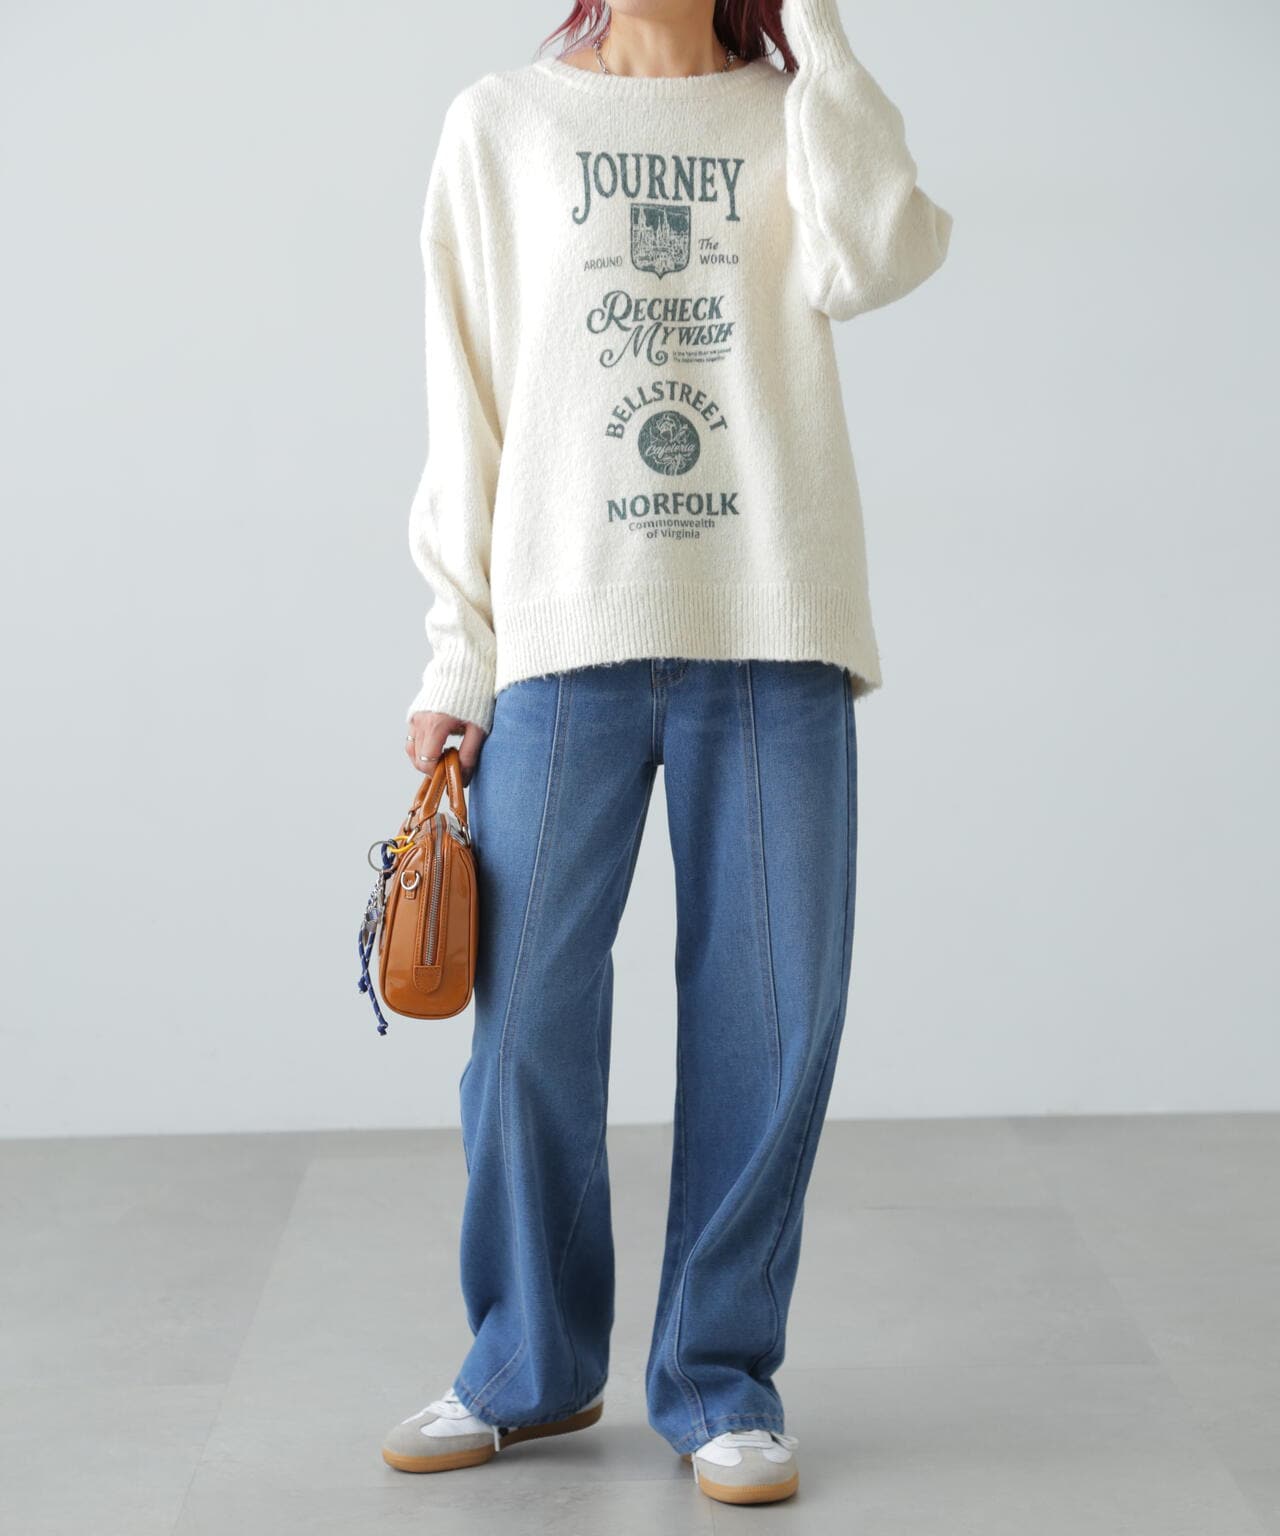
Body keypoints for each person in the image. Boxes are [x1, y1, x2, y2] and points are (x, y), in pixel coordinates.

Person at [384, 0, 951, 1506]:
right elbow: (466, 400)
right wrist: (456, 654)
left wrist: (815, 37)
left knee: (773, 1017)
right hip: (563, 630)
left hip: (774, 620)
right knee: (524, 1021)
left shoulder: (793, 113)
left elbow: (883, 252)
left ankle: (718, 1378)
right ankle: (527, 1363)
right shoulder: (503, 123)